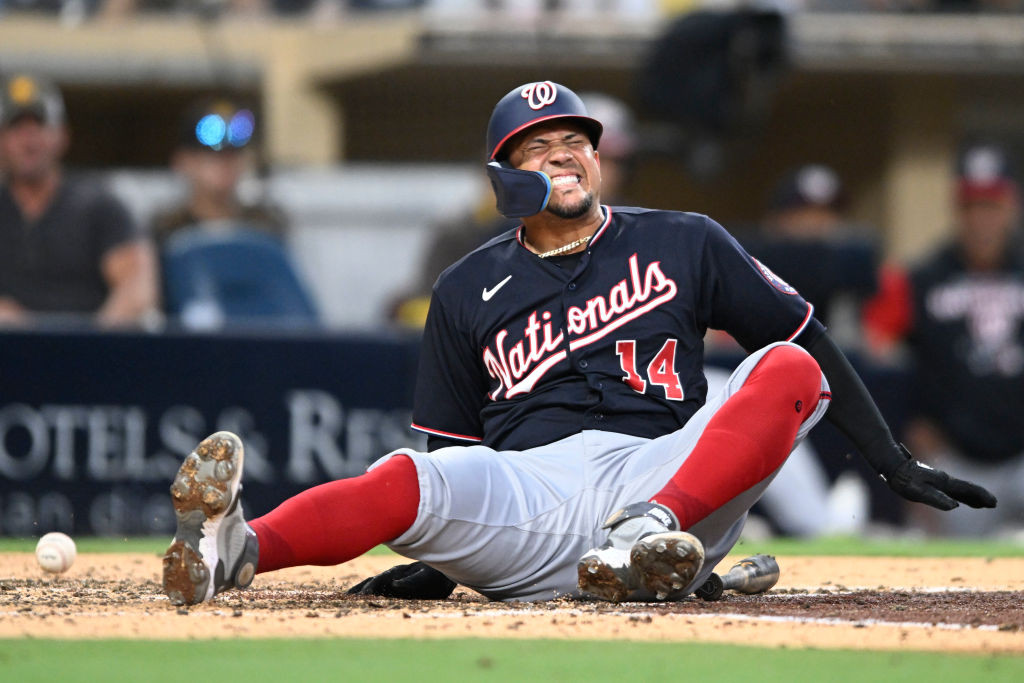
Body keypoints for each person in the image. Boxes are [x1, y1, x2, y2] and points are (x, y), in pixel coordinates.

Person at [161, 81, 995, 607]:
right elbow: (452, 449)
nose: (565, 155)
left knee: (786, 363)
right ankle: (239, 546)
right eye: (541, 147)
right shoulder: (462, 289)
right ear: (505, 177)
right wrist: (440, 558)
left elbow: (805, 334)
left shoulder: (685, 240)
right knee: (405, 474)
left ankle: (649, 543)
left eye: (576, 143)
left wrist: (890, 460)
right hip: (535, 493)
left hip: (668, 470)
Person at [871, 143, 1024, 537]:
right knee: (960, 586)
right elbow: (875, 359)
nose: (981, 220)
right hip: (956, 458)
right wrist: (908, 436)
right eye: (971, 207)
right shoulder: (920, 278)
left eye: (991, 206)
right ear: (957, 211)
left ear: (1012, 206)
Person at [0, 73, 158, 328]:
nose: (28, 140)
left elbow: (138, 290)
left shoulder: (98, 205)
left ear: (62, 136)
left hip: (88, 353)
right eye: (16, 128)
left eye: (39, 126)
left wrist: (89, 344)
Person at [150, 97, 287, 250]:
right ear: (183, 161)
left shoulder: (264, 226)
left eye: (234, 155)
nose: (225, 165)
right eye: (212, 158)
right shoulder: (168, 230)